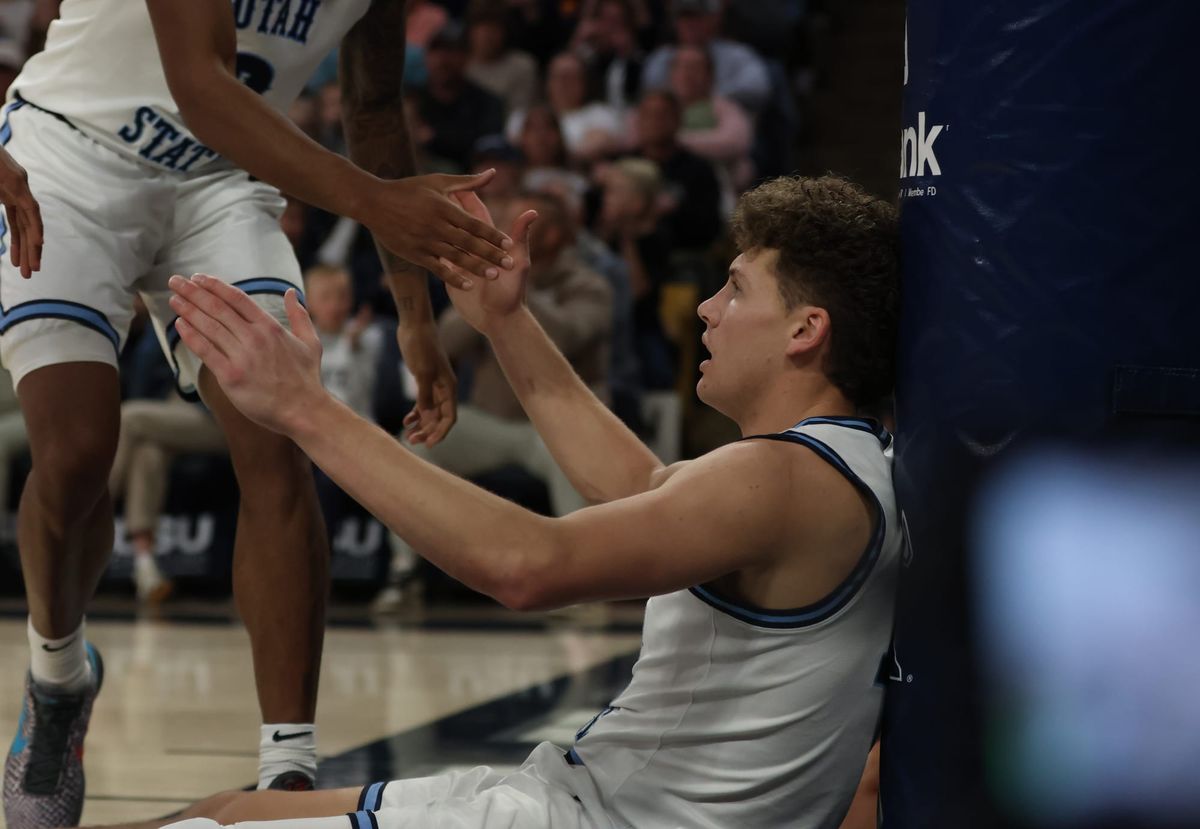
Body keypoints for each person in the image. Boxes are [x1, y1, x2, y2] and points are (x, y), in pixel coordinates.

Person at [155, 174, 902, 829]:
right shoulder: (833, 465)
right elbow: (640, 485)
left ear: (806, 329)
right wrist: (506, 321)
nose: (707, 308)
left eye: (736, 288)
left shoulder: (784, 478)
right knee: (228, 810)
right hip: (582, 798)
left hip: (602, 818)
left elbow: (524, 565)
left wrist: (306, 409)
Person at [1, 0, 516, 823]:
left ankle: (288, 771)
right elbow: (202, 87)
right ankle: (57, 678)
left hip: (223, 182)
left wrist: (414, 315)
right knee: (77, 450)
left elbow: (373, 110)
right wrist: (376, 202)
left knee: (282, 429)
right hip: (74, 154)